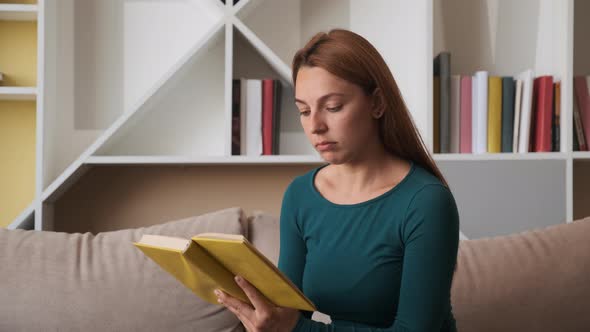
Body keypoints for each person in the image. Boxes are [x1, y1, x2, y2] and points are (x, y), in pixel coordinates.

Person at [215, 28, 460, 332]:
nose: (315, 126)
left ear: (377, 104)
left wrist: (295, 329)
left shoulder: (426, 201)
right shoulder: (301, 196)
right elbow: (290, 310)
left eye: (332, 107)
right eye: (303, 111)